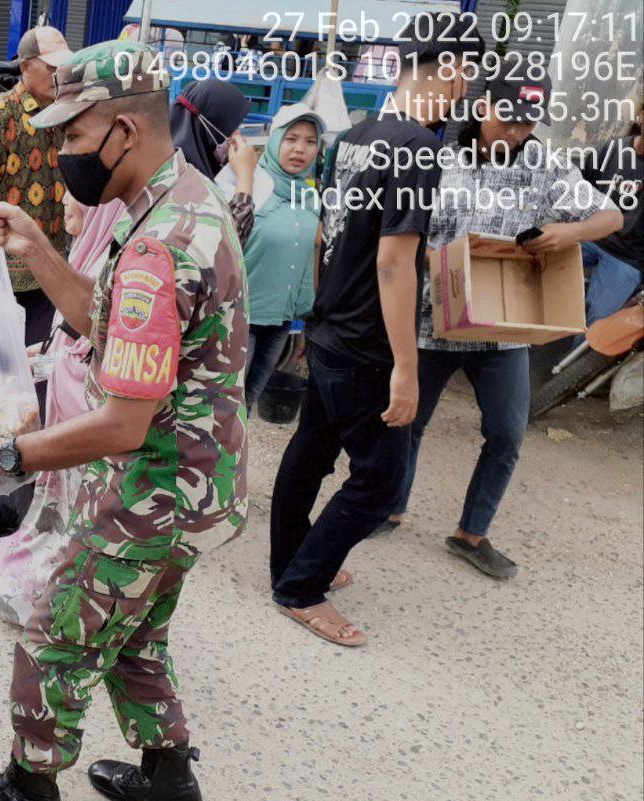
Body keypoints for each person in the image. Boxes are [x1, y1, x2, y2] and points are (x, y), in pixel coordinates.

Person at [0, 40, 248, 801]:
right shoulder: (185, 201)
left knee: (54, 628)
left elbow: (124, 421)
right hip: (199, 484)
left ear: (123, 132)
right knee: (135, 631)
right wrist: (36, 243)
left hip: (156, 488)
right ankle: (170, 778)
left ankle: (30, 790)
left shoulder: (157, 248)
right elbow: (108, 324)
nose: (59, 152)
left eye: (70, 136)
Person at [268, 12, 482, 647]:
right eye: (462, 76)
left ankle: (292, 564)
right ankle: (301, 586)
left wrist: (316, 310)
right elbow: (394, 261)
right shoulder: (418, 146)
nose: (463, 90)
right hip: (366, 344)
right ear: (444, 70)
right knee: (381, 480)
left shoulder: (355, 134)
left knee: (309, 455)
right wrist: (407, 369)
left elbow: (327, 235)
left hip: (333, 327)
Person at [382, 74, 622, 579]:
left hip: (508, 328)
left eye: (528, 121)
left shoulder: (547, 166)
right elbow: (402, 235)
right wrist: (433, 259)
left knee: (508, 433)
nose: (517, 131)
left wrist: (571, 230)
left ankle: (472, 533)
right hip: (437, 321)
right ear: (483, 105)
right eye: (508, 118)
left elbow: (612, 216)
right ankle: (388, 507)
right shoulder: (439, 159)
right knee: (410, 422)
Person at [0, 191, 126, 622]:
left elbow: (105, 354)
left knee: (66, 522)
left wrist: (3, 456)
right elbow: (81, 337)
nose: (64, 198)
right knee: (55, 517)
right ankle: (20, 586)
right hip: (74, 414)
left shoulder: (118, 261)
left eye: (77, 194)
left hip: (93, 426)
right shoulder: (90, 249)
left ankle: (37, 599)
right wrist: (40, 358)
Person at [0, 26, 72, 348]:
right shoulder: (0, 117)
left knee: (40, 361)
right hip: (8, 274)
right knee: (2, 361)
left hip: (53, 265)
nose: (60, 75)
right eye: (52, 68)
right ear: (26, 67)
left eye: (63, 68)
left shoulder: (64, 114)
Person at [218, 106, 323, 408]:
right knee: (225, 407)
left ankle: (235, 457)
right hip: (240, 319)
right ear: (275, 140)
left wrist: (302, 323)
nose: (300, 149)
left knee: (247, 406)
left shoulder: (310, 196)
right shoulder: (249, 183)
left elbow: (306, 261)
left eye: (310, 141)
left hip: (279, 322)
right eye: (291, 138)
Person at [579, 101, 643, 325]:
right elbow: (582, 187)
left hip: (628, 257)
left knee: (598, 320)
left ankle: (570, 360)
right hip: (590, 235)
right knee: (536, 260)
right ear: (641, 117)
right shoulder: (614, 149)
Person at [170, 78, 257, 244]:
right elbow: (226, 243)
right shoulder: (181, 177)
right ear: (211, 126)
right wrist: (245, 176)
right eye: (233, 127)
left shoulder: (183, 161)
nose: (237, 135)